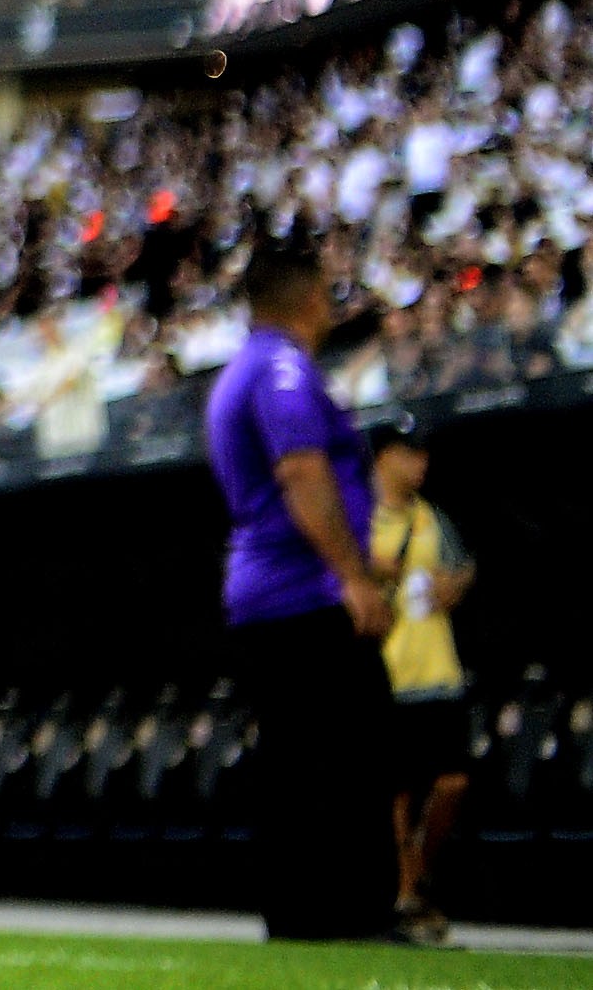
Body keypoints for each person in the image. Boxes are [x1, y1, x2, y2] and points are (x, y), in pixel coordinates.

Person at [203, 243, 403, 943]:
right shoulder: (282, 367)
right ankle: (355, 912)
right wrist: (351, 577)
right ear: (313, 299)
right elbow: (303, 475)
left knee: (294, 758)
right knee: (351, 754)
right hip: (304, 597)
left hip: (270, 595)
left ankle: (300, 915)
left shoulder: (241, 370)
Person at [366, 421, 478, 944]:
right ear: (384, 457)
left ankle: (419, 877)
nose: (420, 464)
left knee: (452, 782)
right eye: (409, 454)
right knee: (398, 792)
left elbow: (464, 568)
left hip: (439, 671)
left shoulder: (432, 517)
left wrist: (452, 586)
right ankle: (406, 894)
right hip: (389, 674)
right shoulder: (361, 518)